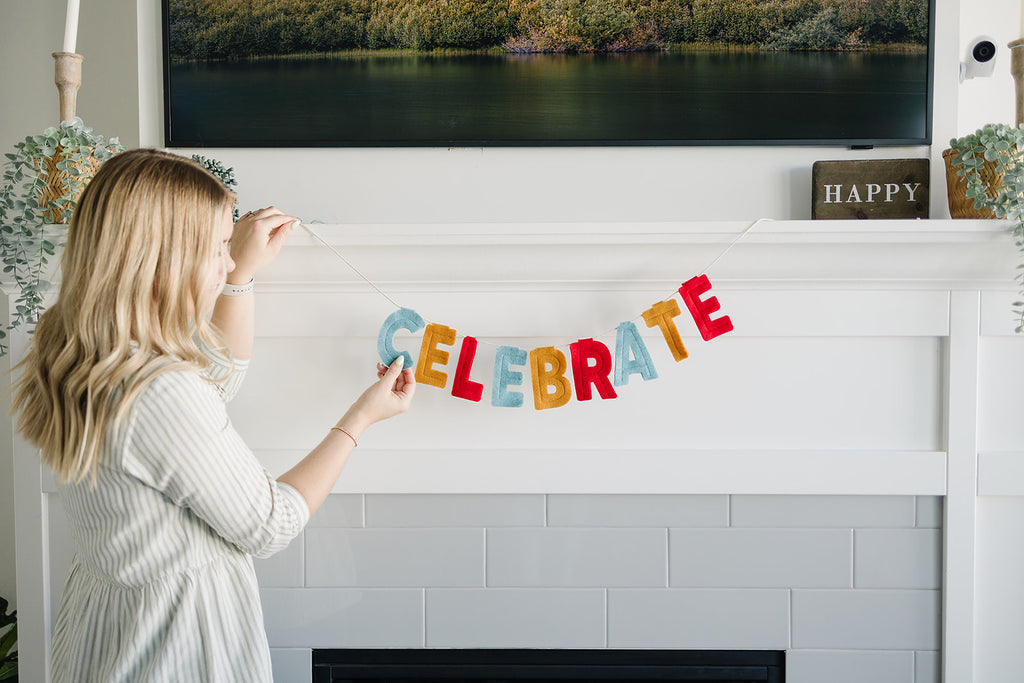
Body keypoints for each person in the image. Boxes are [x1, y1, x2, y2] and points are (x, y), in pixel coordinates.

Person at [12, 148, 416, 681]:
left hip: (109, 632)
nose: (226, 260)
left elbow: (214, 384)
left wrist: (240, 278)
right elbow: (271, 524)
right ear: (161, 260)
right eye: (217, 248)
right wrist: (359, 419)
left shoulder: (77, 348)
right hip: (174, 646)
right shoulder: (159, 389)